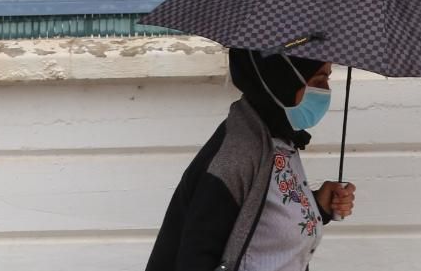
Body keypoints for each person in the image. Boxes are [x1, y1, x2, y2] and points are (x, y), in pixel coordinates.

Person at [146, 49, 356, 270]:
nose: (325, 92)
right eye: (319, 81)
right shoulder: (235, 155)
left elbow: (263, 224)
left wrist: (318, 206)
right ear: (282, 80)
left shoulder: (276, 139)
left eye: (327, 79)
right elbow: (195, 256)